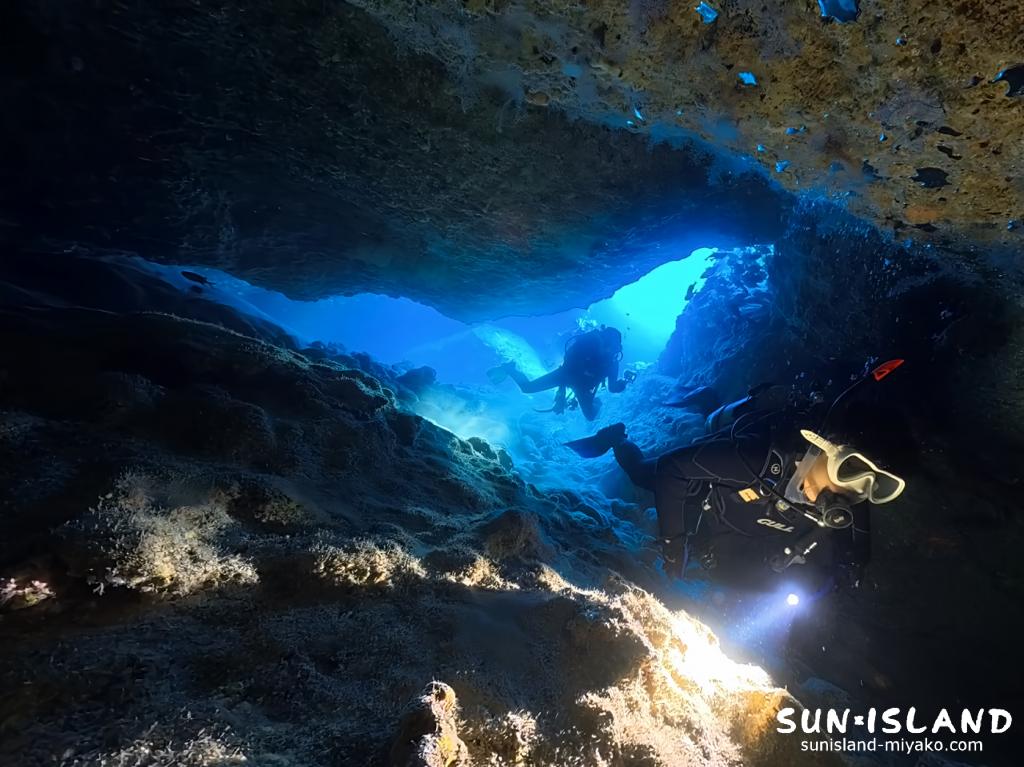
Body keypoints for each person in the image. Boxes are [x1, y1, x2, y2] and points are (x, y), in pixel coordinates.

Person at [567, 361, 909, 587]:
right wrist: (673, 546)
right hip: (707, 484)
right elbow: (673, 470)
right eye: (850, 469)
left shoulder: (849, 500)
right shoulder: (756, 459)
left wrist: (852, 567)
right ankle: (618, 438)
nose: (854, 490)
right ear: (821, 445)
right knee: (644, 475)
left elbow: (857, 548)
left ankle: (709, 403)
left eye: (876, 485)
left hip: (734, 519)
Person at [489, 326, 633, 421]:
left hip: (577, 384)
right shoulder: (590, 346)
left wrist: (623, 383)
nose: (613, 349)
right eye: (612, 344)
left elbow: (612, 388)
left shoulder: (612, 362)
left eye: (616, 346)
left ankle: (597, 402)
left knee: (590, 416)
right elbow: (570, 366)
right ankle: (510, 368)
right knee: (527, 388)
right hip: (569, 378)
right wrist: (562, 392)